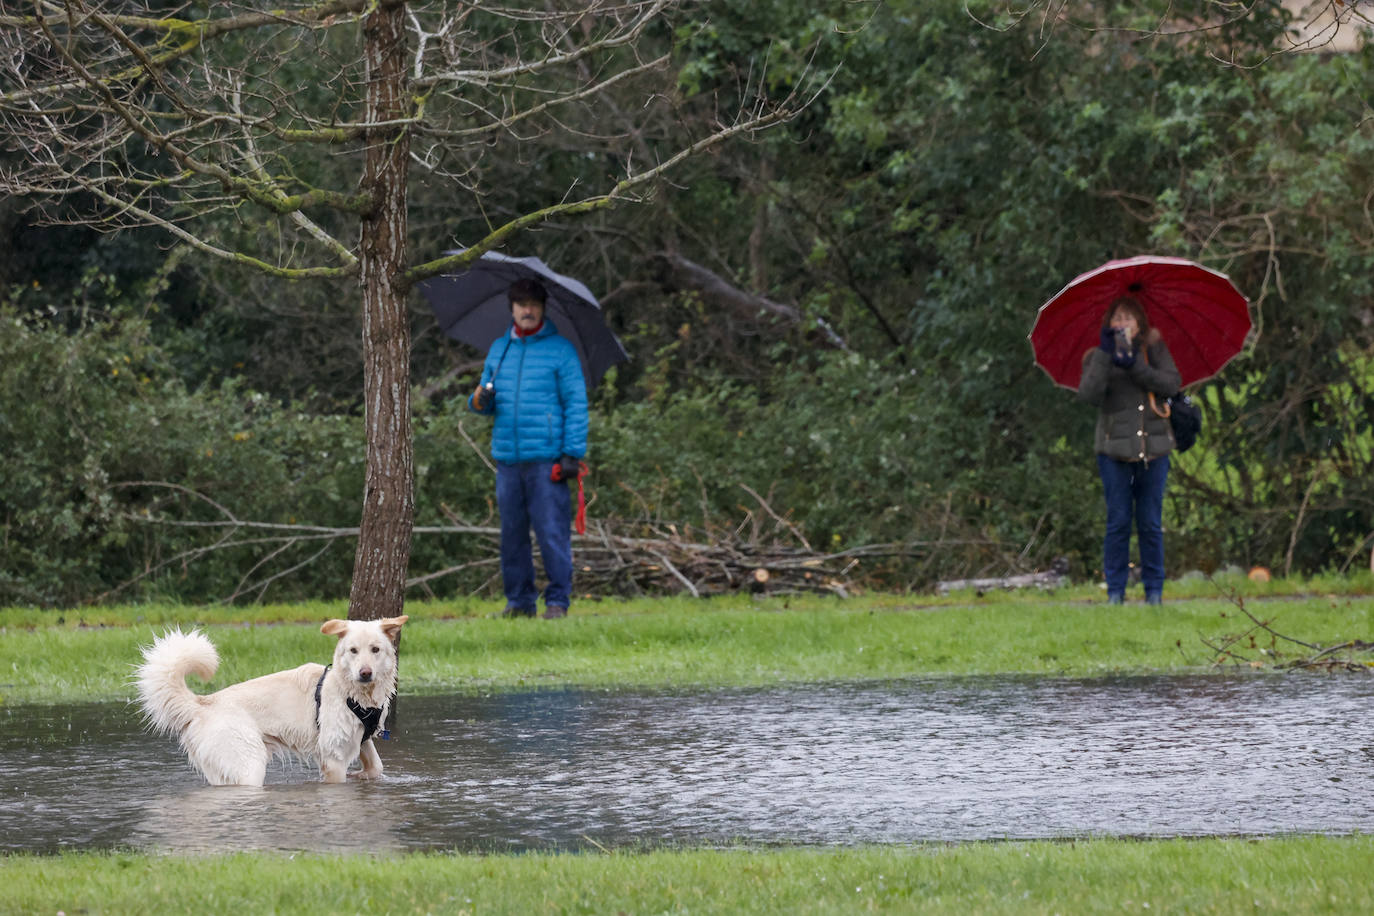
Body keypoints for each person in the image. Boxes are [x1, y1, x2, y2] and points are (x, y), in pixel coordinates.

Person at [469, 278, 588, 619]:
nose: (528, 310)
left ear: (543, 308)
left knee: (552, 535)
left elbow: (576, 404)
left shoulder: (561, 351)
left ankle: (557, 602)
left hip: (547, 460)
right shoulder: (499, 349)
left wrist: (571, 453)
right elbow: (481, 403)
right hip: (508, 459)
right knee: (512, 537)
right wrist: (479, 399)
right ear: (512, 308)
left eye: (534, 304)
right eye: (521, 303)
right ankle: (519, 602)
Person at [1077, 295, 1181, 605]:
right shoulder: (1097, 355)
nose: (1122, 324)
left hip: (1155, 449)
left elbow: (1171, 385)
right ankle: (1115, 592)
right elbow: (1089, 394)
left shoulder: (1153, 351)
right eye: (1117, 318)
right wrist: (1106, 357)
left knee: (1150, 522)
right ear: (1109, 324)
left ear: (1139, 324)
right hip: (1113, 451)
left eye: (1128, 318)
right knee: (1118, 521)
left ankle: (1154, 591)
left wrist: (1136, 366)